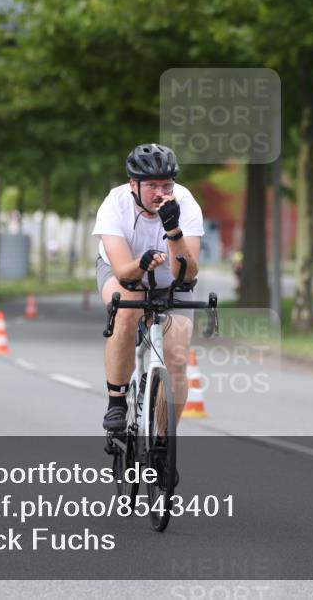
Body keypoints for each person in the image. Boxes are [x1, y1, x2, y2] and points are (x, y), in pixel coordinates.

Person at [91, 144, 204, 434]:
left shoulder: (186, 203)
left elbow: (188, 275)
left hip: (171, 281)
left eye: (166, 184)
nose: (160, 193)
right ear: (133, 184)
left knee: (177, 355)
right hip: (126, 273)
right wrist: (141, 264)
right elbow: (123, 272)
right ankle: (116, 401)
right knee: (127, 314)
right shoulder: (114, 204)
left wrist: (174, 230)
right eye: (152, 185)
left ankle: (164, 444)